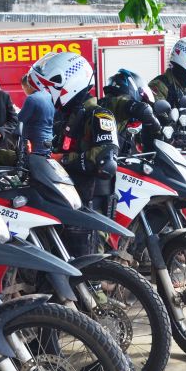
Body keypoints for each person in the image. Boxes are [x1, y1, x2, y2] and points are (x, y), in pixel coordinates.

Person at [28, 52, 119, 256]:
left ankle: (98, 288)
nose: (45, 95)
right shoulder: (64, 117)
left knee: (90, 268)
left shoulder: (98, 114)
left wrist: (62, 160)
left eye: (48, 88)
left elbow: (105, 159)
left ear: (68, 83)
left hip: (91, 204)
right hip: (66, 200)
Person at [99, 69, 162, 154]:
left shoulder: (104, 104)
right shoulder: (115, 103)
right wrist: (157, 127)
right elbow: (141, 109)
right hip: (103, 162)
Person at [17, 74, 55, 155]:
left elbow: (20, 119)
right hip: (49, 140)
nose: (24, 91)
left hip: (35, 143)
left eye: (23, 88)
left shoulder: (31, 99)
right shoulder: (49, 95)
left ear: (28, 85)